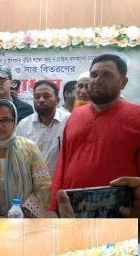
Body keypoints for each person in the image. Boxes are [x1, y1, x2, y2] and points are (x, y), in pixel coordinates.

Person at [51, 54, 140, 212]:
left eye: (107, 75)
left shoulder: (136, 116)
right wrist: (52, 208)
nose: (97, 80)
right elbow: (62, 165)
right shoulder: (76, 115)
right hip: (70, 211)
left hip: (118, 212)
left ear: (123, 82)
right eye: (94, 75)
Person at [15, 80, 70, 178]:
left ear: (57, 100)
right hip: (33, 184)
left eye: (46, 96)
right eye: (37, 97)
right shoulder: (23, 125)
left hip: (62, 183)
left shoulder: (69, 121)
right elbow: (19, 159)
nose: (41, 100)